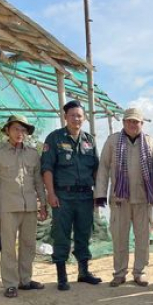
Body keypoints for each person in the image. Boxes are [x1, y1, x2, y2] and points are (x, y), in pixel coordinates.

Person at [41, 100, 101, 291]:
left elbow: (96, 169)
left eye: (80, 116)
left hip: (85, 196)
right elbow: (47, 168)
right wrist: (50, 193)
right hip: (63, 196)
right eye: (73, 115)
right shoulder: (55, 138)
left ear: (84, 118)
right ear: (65, 117)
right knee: (61, 234)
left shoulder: (89, 140)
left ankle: (83, 272)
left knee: (84, 233)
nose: (77, 119)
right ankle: (62, 276)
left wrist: (97, 194)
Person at [0, 115, 48, 298]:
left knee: (28, 245)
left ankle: (25, 280)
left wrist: (43, 204)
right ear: (7, 131)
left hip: (30, 207)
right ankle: (10, 284)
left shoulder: (33, 154)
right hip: (8, 208)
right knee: (8, 247)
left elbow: (38, 181)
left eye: (23, 130)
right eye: (16, 129)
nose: (20, 133)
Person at [96, 107, 153, 287]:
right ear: (123, 122)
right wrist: (100, 194)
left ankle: (140, 272)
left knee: (143, 239)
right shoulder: (113, 141)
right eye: (129, 121)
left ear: (142, 123)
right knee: (119, 238)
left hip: (143, 200)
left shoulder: (150, 142)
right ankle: (119, 273)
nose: (132, 124)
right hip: (119, 200)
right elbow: (103, 167)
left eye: (136, 121)